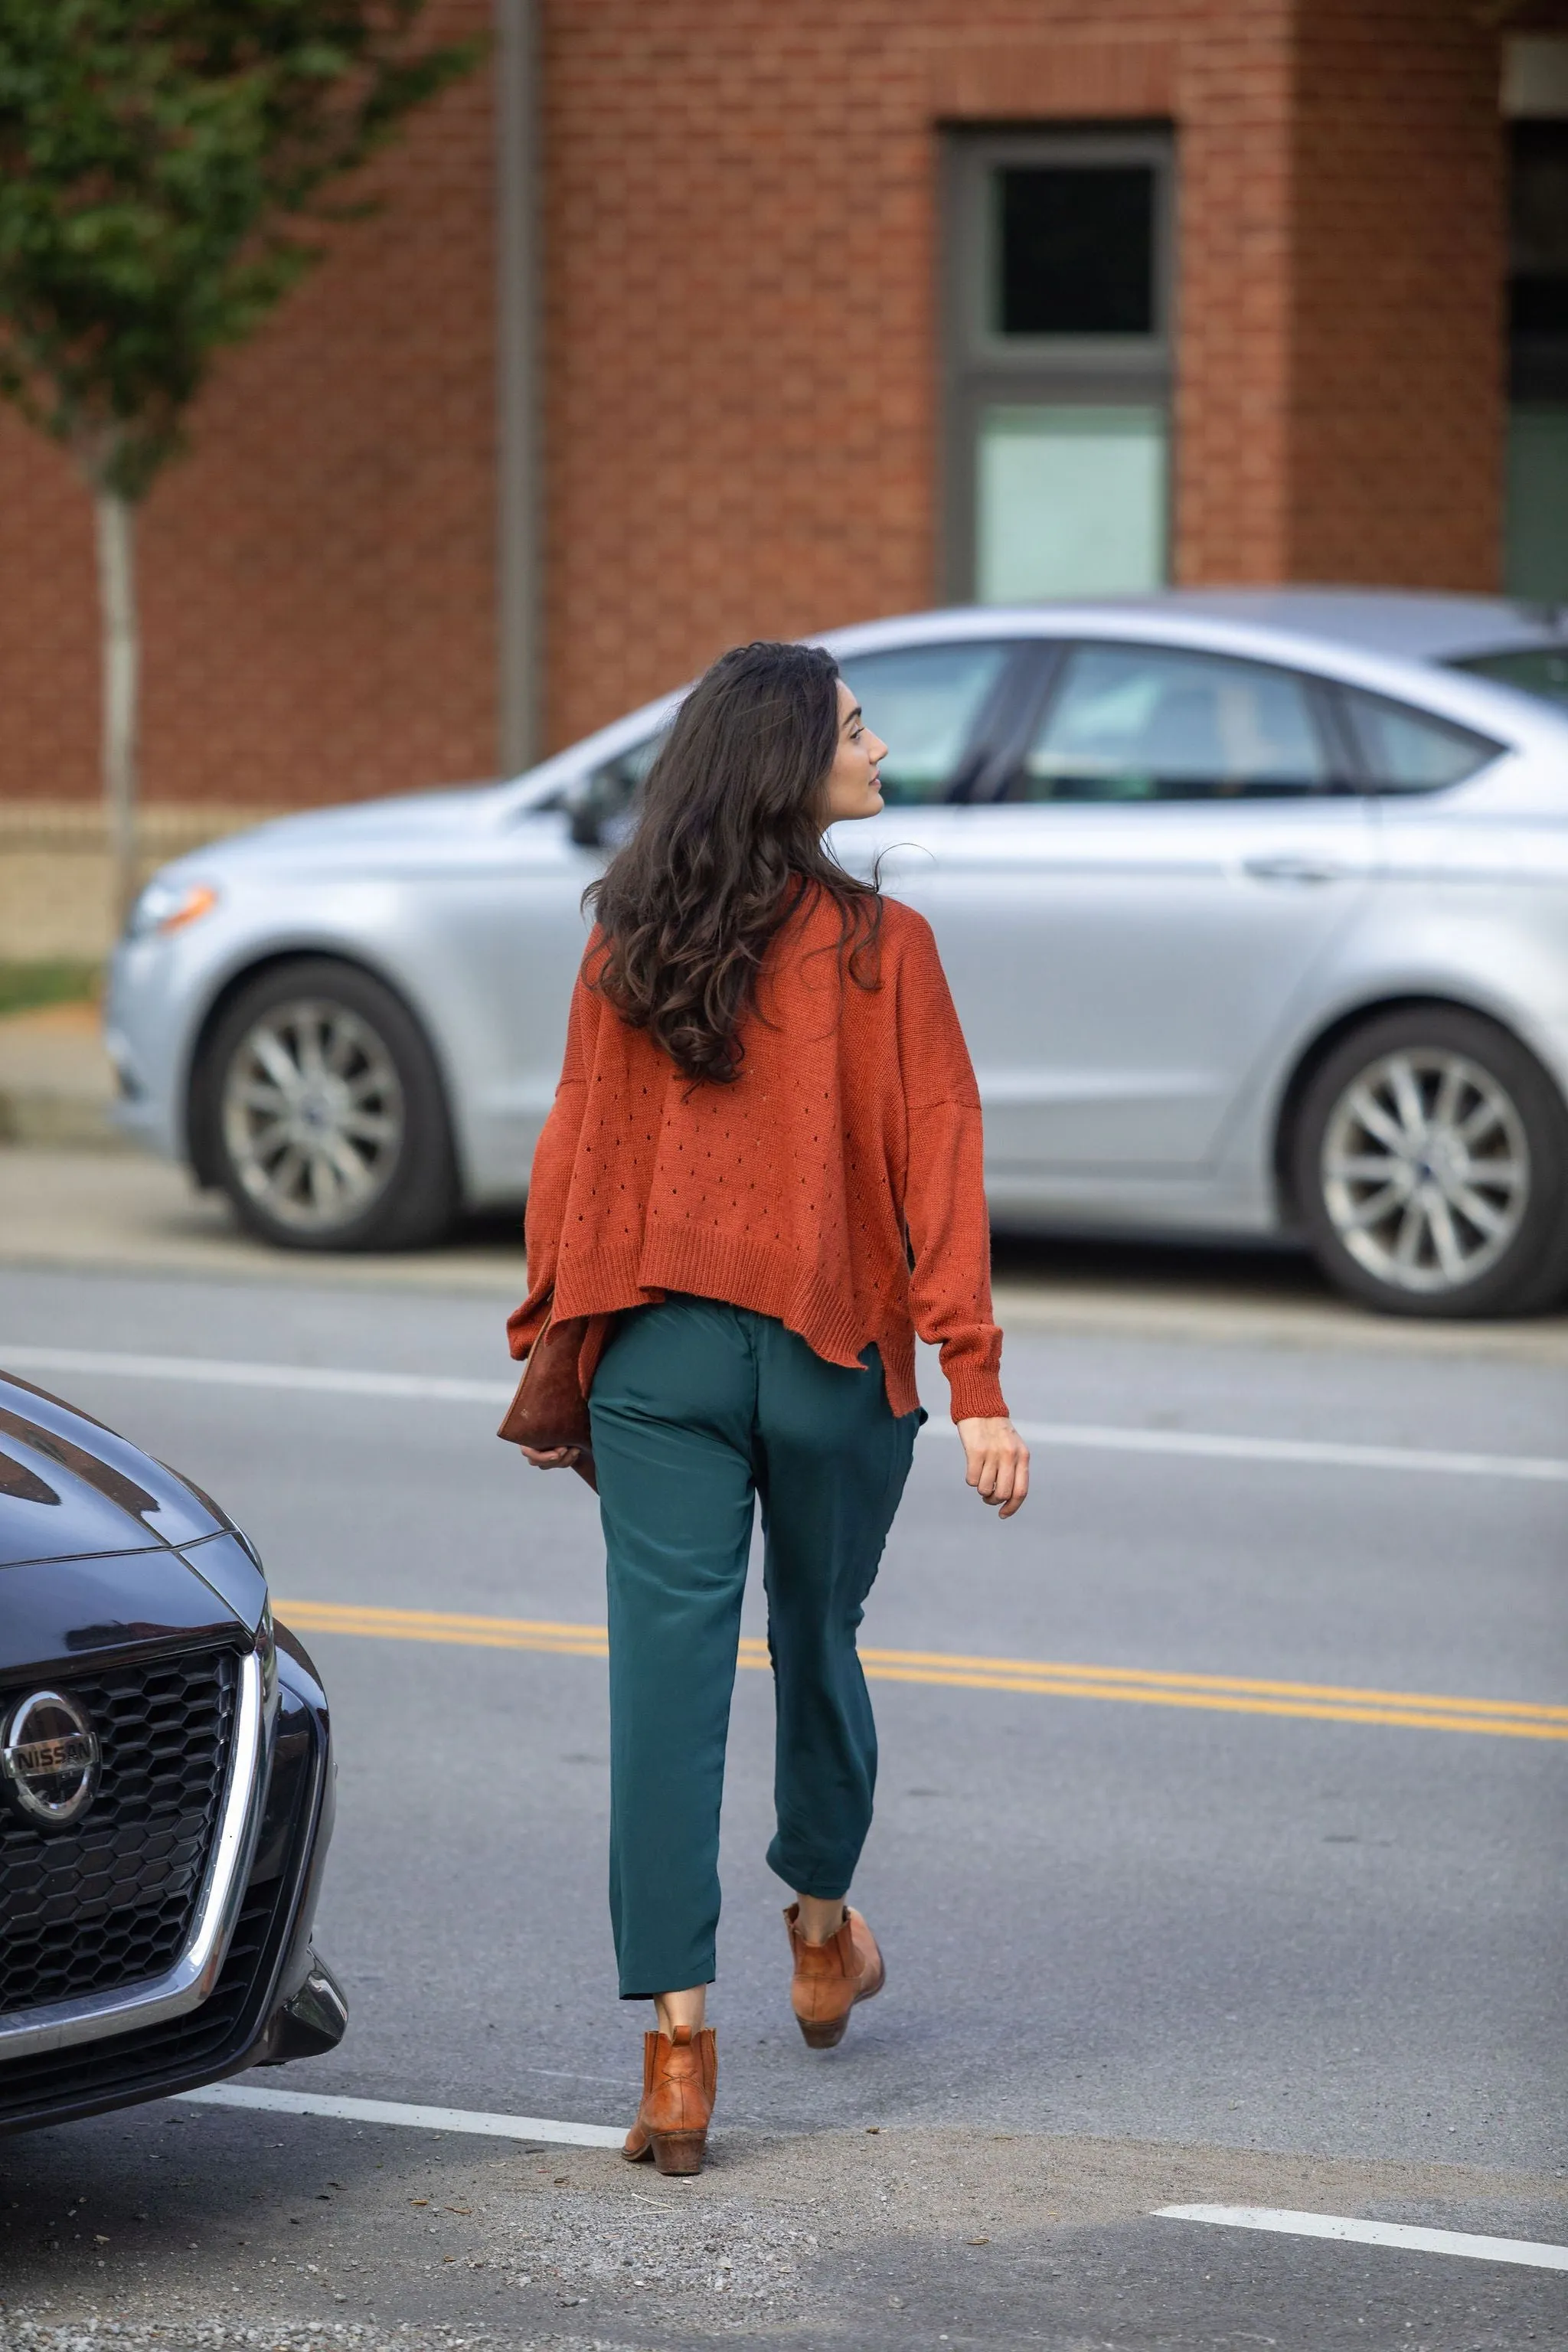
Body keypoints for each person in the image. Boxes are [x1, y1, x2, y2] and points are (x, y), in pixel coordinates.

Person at [508, 639, 1028, 2174]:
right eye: (854, 726)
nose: (877, 745)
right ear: (788, 761)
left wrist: (554, 1335)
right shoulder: (886, 947)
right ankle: (818, 1923)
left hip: (655, 1356)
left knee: (659, 1699)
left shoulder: (629, 937)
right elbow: (939, 1161)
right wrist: (976, 1381)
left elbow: (573, 1145)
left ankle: (677, 2057)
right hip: (825, 1357)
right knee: (816, 1636)